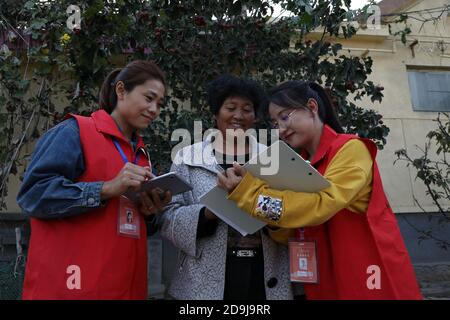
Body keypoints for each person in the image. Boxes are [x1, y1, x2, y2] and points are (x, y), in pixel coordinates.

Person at [217, 80, 423, 300]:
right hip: (323, 277)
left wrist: (248, 192)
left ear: (312, 107)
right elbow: (293, 226)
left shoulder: (351, 148)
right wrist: (273, 223)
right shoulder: (298, 163)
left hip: (366, 276)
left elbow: (322, 204)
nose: (281, 130)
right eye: (274, 123)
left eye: (284, 117)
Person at [17, 60, 172, 300]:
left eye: (159, 104)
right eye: (148, 98)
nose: (154, 109)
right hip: (70, 288)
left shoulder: (141, 155)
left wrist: (149, 211)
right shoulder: (76, 131)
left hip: (124, 287)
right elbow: (33, 194)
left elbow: (130, 222)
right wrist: (107, 188)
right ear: (121, 91)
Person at [158, 75, 294, 300]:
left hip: (264, 273)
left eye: (247, 109)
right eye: (230, 107)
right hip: (203, 278)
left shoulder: (274, 158)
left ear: (255, 116)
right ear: (216, 112)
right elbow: (166, 216)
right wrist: (207, 213)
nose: (238, 116)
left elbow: (291, 210)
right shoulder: (188, 157)